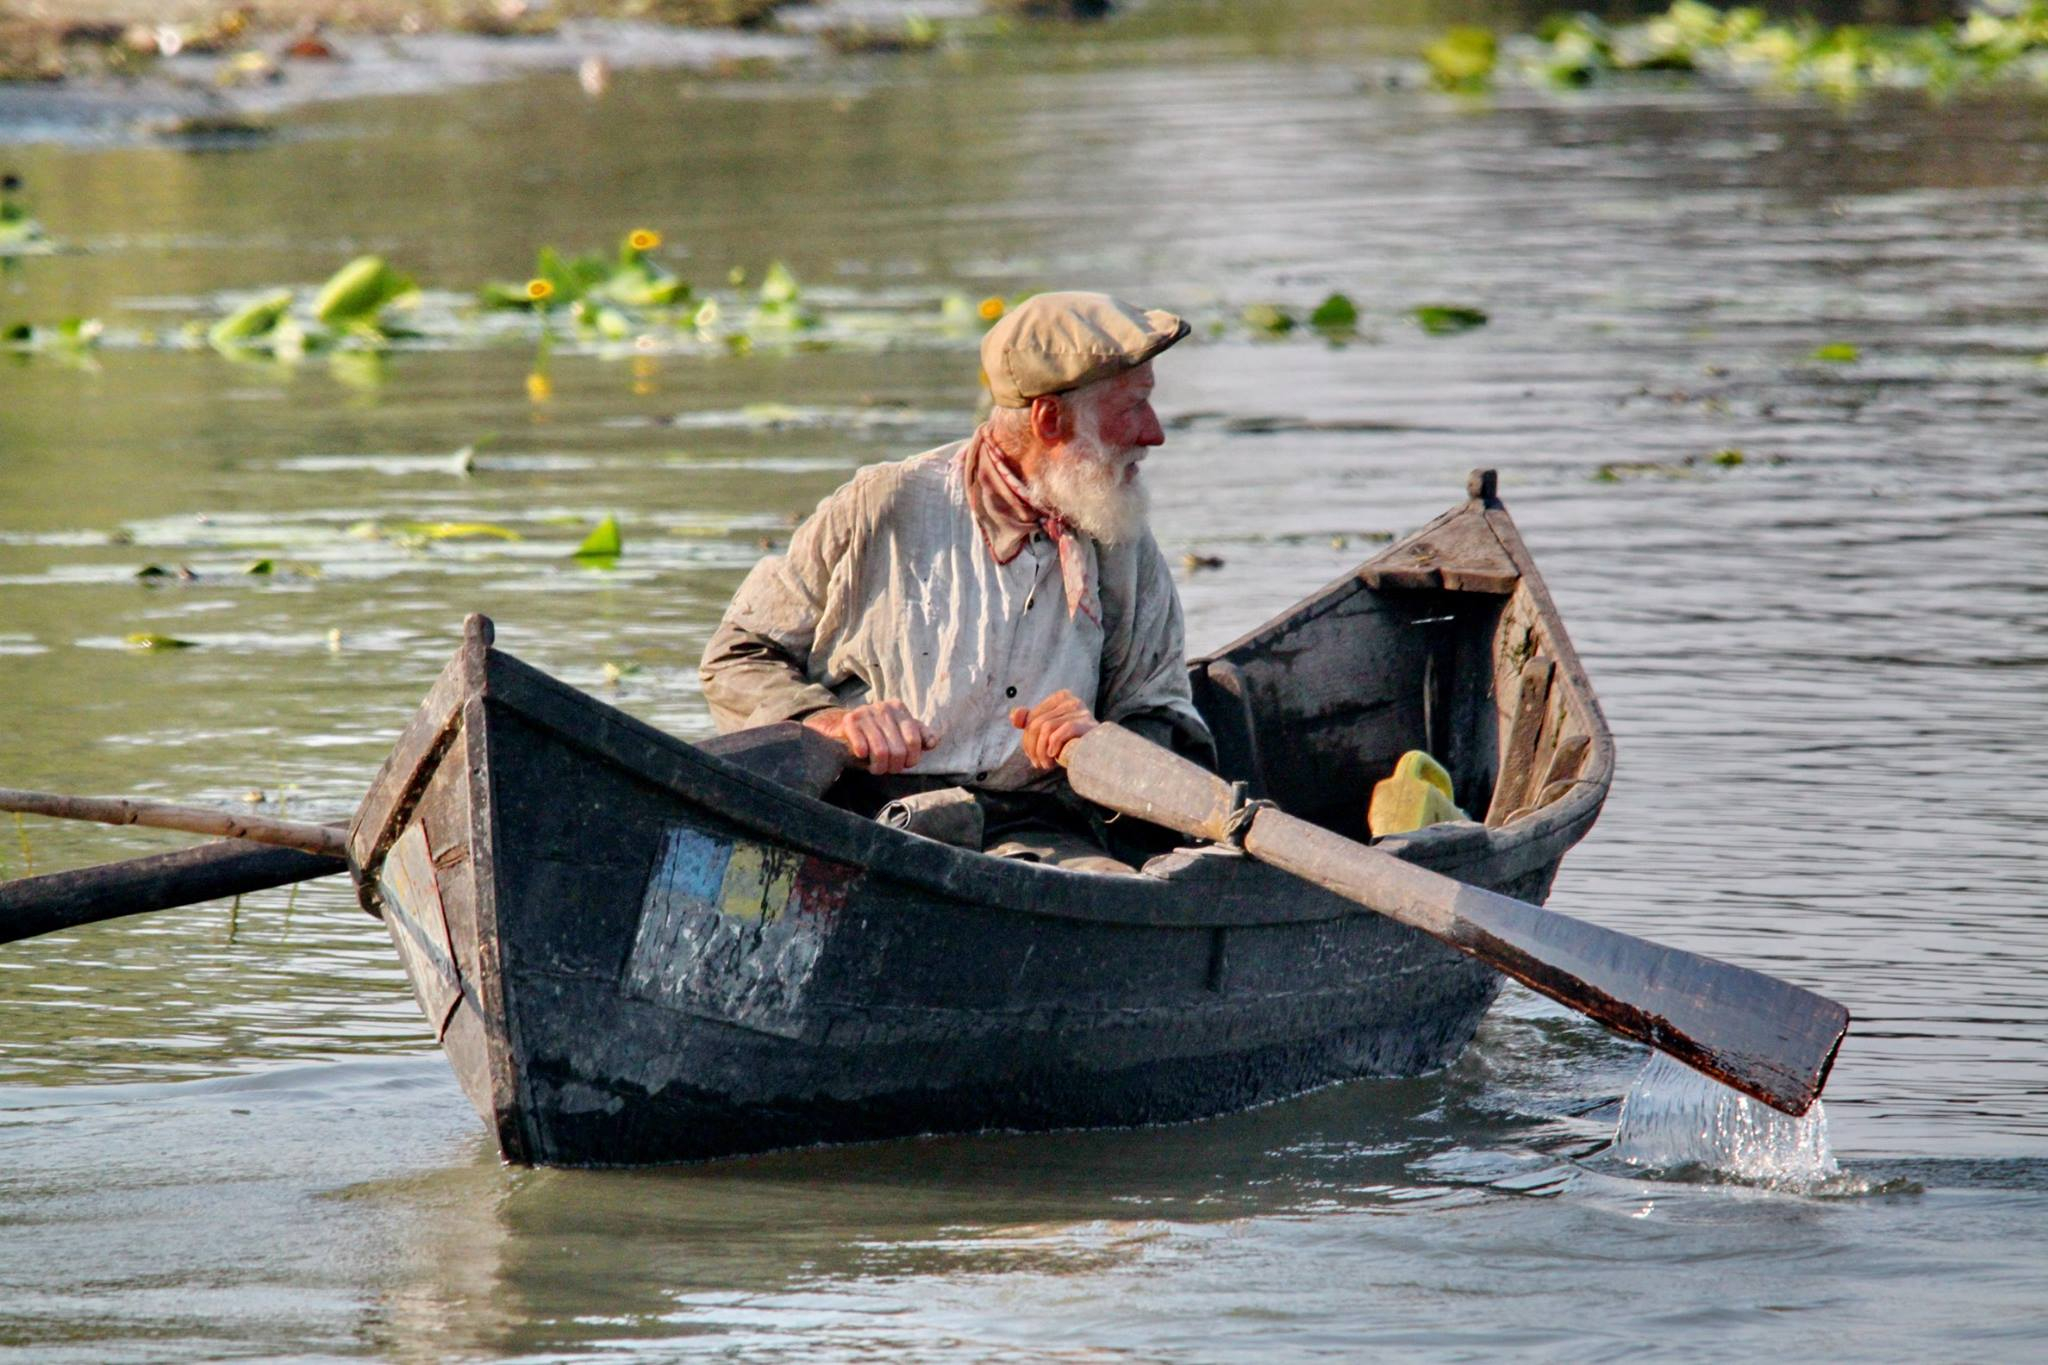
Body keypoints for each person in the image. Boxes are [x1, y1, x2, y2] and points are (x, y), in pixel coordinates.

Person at [699, 291, 1214, 873]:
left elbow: (1164, 719)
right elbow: (737, 655)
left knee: (1118, 892)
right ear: (1050, 419)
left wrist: (1097, 744)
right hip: (854, 820)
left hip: (1041, 833)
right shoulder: (884, 505)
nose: (1154, 433)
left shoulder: (1121, 537)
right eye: (1134, 407)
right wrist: (831, 723)